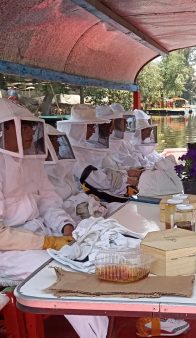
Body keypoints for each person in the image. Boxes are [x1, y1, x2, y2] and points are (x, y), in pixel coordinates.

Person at [0, 98, 108, 338]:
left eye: (30, 126)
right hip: (7, 252)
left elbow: (48, 201)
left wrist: (67, 227)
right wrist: (47, 242)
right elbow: (2, 237)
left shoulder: (28, 161)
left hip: (40, 235)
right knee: (70, 281)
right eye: (22, 126)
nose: (29, 132)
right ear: (3, 128)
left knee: (94, 255)